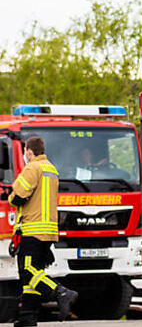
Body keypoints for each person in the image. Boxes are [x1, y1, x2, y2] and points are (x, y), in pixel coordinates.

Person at [9, 137, 77, 326]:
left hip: (33, 229)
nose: (25, 154)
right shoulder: (51, 169)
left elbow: (18, 196)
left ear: (29, 151)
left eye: (25, 151)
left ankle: (61, 292)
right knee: (33, 273)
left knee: (28, 270)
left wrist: (11, 194)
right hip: (48, 230)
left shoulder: (32, 168)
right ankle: (27, 316)